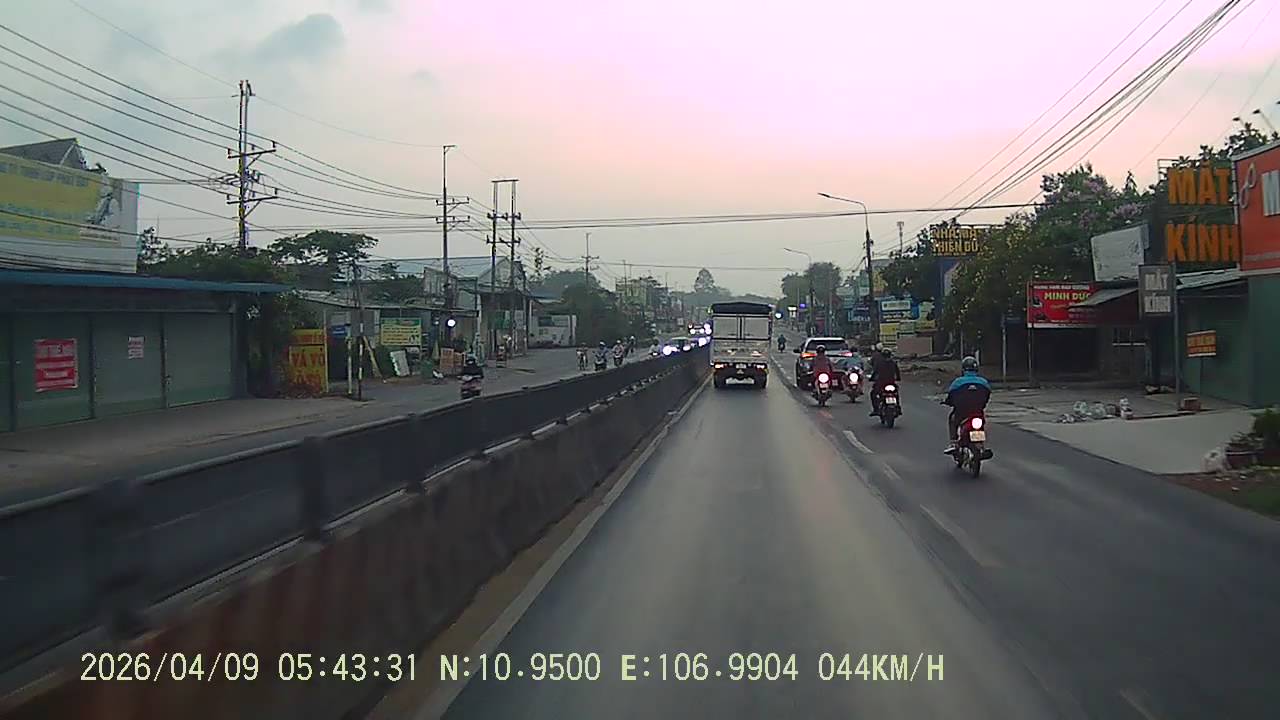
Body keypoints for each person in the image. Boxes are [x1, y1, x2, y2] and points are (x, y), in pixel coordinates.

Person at [943, 356, 991, 453]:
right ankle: (981, 445)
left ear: (963, 369)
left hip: (962, 413)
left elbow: (950, 396)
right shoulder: (984, 382)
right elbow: (987, 396)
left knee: (952, 419)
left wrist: (948, 402)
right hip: (978, 412)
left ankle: (953, 442)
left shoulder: (957, 382)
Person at [869, 346, 901, 416]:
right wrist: (898, 378)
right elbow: (897, 372)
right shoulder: (893, 363)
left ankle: (876, 409)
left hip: (881, 383)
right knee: (896, 394)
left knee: (873, 394)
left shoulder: (879, 363)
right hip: (891, 383)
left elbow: (875, 372)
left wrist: (871, 378)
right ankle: (898, 407)